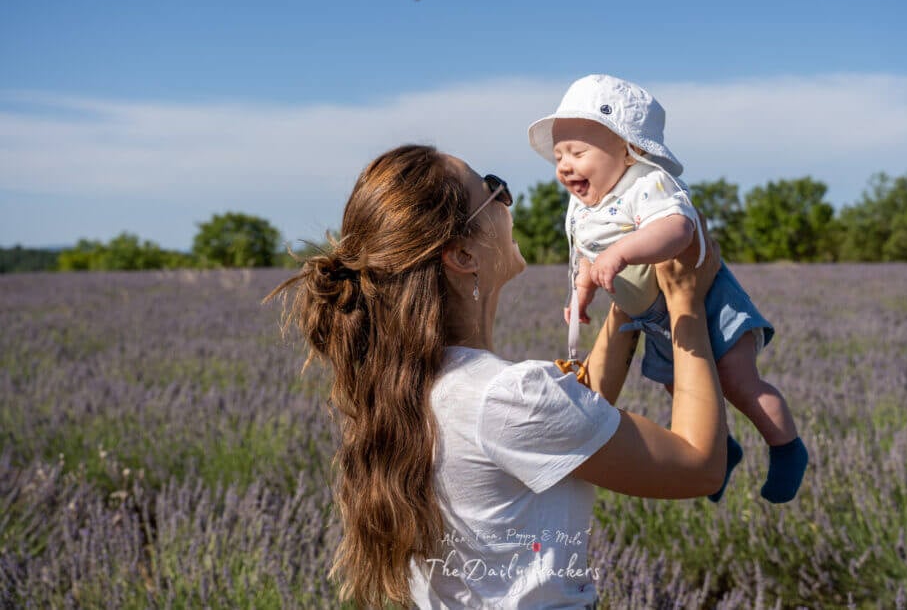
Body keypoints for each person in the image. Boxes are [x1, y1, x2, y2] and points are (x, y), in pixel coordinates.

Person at [267, 144, 727, 609]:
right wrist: (684, 297)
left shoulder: (411, 387)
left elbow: (573, 419)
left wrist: (635, 300)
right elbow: (701, 465)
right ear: (463, 253)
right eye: (493, 190)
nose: (508, 200)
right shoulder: (508, 396)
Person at [528, 74, 808, 504]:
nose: (564, 165)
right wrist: (582, 288)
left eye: (578, 152)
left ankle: (787, 447)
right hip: (653, 316)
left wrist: (621, 253)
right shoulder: (585, 203)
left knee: (736, 381)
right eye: (560, 154)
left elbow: (676, 228)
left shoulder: (647, 182)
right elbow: (587, 252)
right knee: (685, 391)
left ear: (629, 149)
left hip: (707, 300)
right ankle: (724, 450)